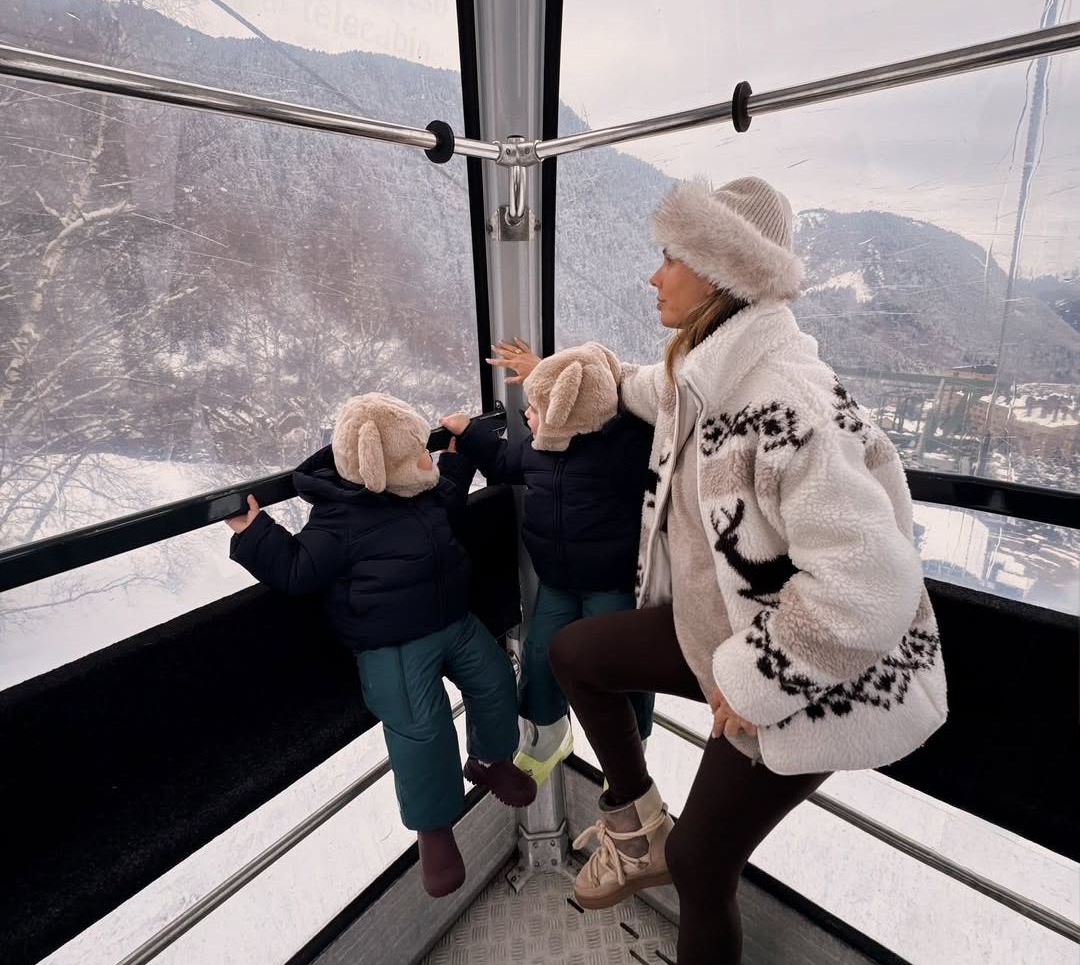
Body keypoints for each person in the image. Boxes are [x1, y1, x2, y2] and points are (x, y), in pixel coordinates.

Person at [495, 178, 948, 965]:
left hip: (820, 677)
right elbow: (642, 387)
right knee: (576, 654)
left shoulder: (782, 403)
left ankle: (673, 861)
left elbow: (871, 582)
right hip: (731, 633)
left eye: (671, 257)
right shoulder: (703, 375)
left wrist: (750, 680)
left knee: (704, 866)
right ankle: (636, 831)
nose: (654, 275)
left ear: (720, 269)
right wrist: (572, 370)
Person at [226, 393, 536, 898]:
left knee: (496, 679)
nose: (425, 462)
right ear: (378, 467)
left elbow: (449, 500)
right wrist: (256, 533)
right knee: (422, 728)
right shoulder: (340, 520)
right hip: (390, 644)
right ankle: (434, 828)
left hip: (453, 620)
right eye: (415, 455)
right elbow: (299, 568)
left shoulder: (419, 490)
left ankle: (490, 759)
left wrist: (456, 463)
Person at [439, 343, 654, 785]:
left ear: (565, 413)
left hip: (609, 584)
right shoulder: (537, 452)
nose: (527, 417)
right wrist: (470, 432)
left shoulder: (618, 452)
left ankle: (632, 747)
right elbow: (500, 463)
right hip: (556, 582)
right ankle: (546, 730)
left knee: (619, 665)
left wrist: (556, 375)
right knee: (539, 655)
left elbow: (631, 407)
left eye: (537, 407)